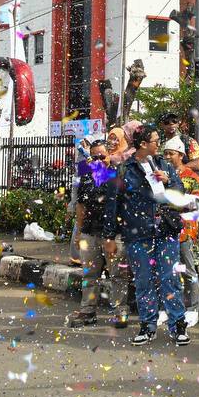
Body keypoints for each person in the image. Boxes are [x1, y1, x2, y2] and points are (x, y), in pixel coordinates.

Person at [101, 126, 190, 346]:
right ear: (142, 144)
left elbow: (180, 194)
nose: (159, 144)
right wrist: (109, 236)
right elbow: (112, 204)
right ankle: (148, 326)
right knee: (144, 281)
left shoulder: (164, 164)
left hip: (165, 231)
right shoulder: (124, 170)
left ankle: (178, 325)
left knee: (170, 278)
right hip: (138, 234)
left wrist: (169, 181)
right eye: (155, 140)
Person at [69, 140, 129, 328]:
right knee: (89, 275)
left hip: (113, 233)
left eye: (102, 156)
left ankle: (120, 311)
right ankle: (87, 311)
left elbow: (125, 206)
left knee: (117, 275)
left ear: (110, 154)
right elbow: (80, 206)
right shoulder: (87, 177)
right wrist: (79, 233)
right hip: (90, 232)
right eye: (94, 157)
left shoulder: (118, 175)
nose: (98, 161)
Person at [162, 136, 199, 326]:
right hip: (164, 230)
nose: (167, 157)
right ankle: (166, 308)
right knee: (166, 271)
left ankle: (192, 309)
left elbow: (197, 202)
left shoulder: (192, 177)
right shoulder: (160, 175)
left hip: (185, 231)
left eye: (171, 153)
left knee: (188, 271)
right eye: (165, 153)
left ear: (180, 155)